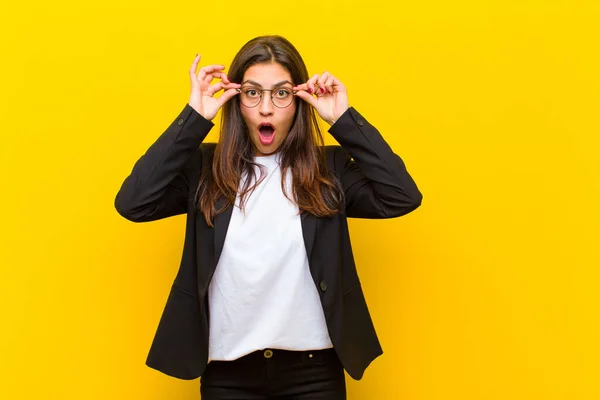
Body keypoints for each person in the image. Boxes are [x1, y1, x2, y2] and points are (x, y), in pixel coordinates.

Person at [115, 35, 422, 400]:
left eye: (281, 93)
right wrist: (194, 118)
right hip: (228, 373)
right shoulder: (204, 168)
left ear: (299, 99)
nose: (265, 109)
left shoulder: (329, 170)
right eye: (252, 93)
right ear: (235, 98)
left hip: (314, 371)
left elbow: (402, 196)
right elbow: (133, 202)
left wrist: (343, 119)